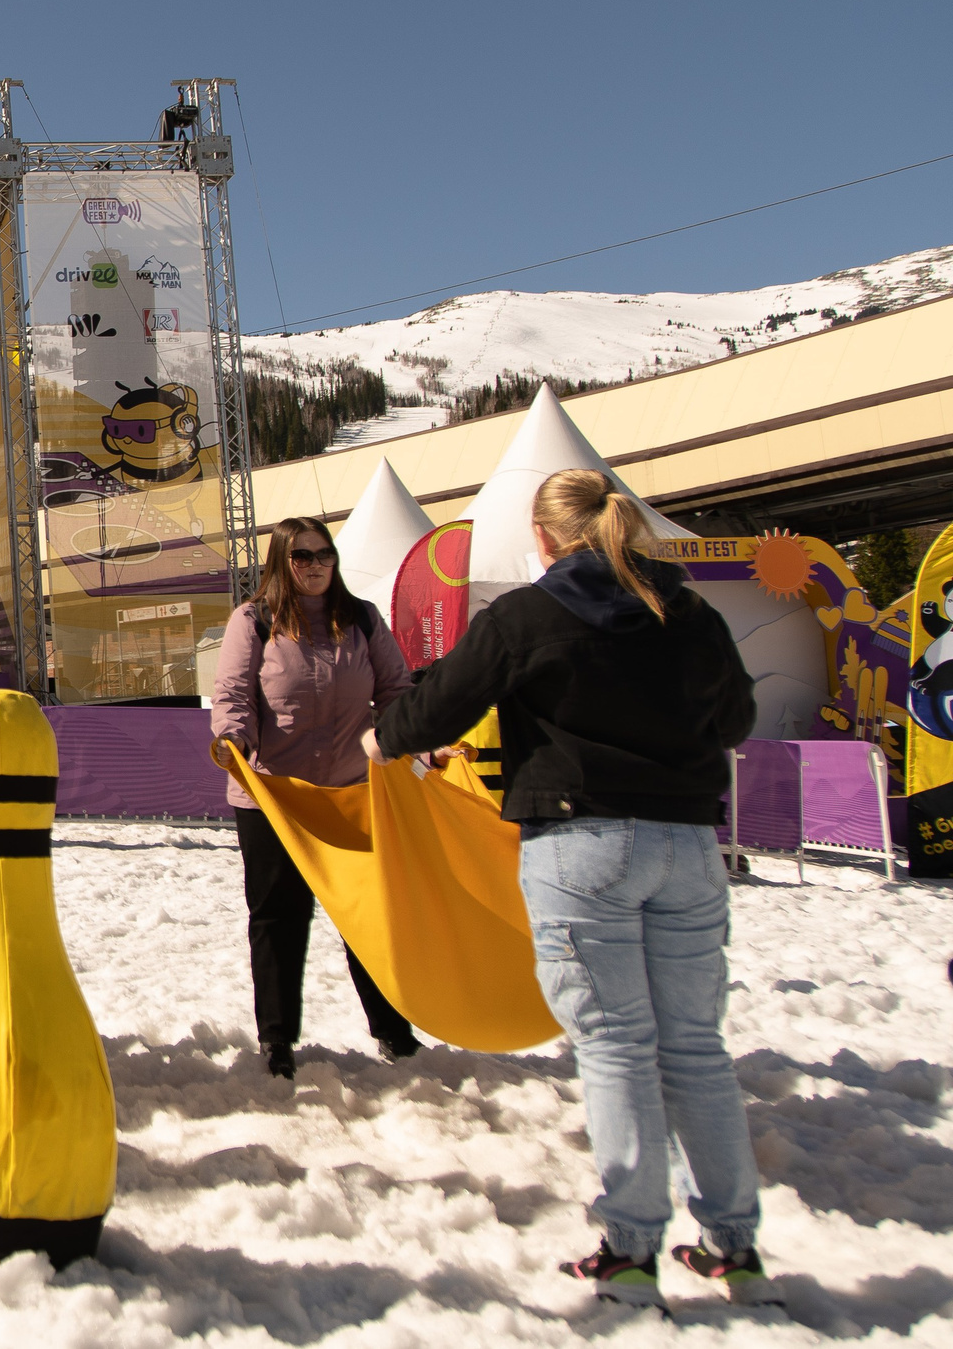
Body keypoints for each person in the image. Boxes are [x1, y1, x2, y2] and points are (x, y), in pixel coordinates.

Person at [367, 469, 768, 1310]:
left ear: (544, 539)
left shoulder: (528, 614)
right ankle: (735, 1246)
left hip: (581, 842)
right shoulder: (689, 612)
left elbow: (440, 704)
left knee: (617, 1043)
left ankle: (629, 1248)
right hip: (690, 842)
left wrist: (381, 739)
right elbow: (735, 721)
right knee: (695, 1044)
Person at [210, 516, 421, 1078]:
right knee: (279, 917)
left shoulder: (362, 620)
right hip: (274, 798)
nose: (315, 565)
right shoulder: (252, 621)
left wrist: (418, 742)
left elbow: (398, 692)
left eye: (323, 554)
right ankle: (276, 1042)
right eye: (301, 556)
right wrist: (233, 740)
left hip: (350, 793)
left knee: (366, 915)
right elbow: (232, 694)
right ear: (281, 561)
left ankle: (394, 1032)